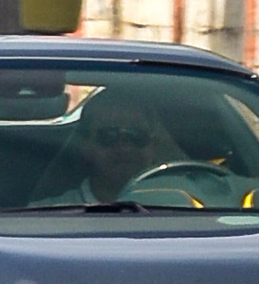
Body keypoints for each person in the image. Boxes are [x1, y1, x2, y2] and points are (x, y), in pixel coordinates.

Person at [31, 87, 182, 205]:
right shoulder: (48, 218)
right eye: (109, 136)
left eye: (136, 135)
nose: (124, 147)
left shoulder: (185, 207)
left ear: (153, 145)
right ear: (85, 146)